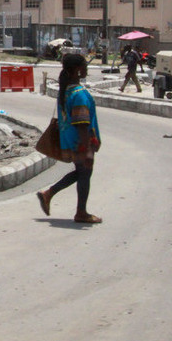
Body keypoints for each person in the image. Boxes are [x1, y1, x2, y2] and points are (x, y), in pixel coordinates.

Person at [36, 53, 102, 224]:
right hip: (80, 141)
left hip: (70, 140)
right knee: (85, 174)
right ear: (77, 70)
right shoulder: (79, 94)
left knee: (82, 173)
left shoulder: (66, 91)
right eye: (84, 66)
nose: (87, 68)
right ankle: (81, 212)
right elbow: (82, 123)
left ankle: (49, 194)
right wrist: (85, 147)